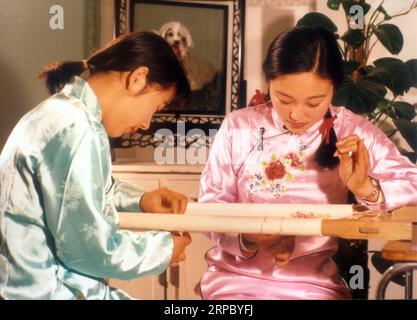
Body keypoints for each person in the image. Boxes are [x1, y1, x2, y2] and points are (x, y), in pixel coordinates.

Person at [197, 26, 417, 300]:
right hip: (233, 282)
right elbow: (210, 206)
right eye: (283, 98)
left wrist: (364, 185)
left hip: (313, 286)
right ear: (269, 83)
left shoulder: (353, 131)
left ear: (335, 89)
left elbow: (413, 185)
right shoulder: (239, 127)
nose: (296, 114)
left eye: (314, 103)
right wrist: (250, 237)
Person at [0, 31, 192, 300]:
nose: (148, 122)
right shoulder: (76, 127)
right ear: (137, 79)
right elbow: (87, 248)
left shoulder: (58, 114)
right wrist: (162, 249)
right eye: (155, 107)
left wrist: (141, 199)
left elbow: (77, 191)